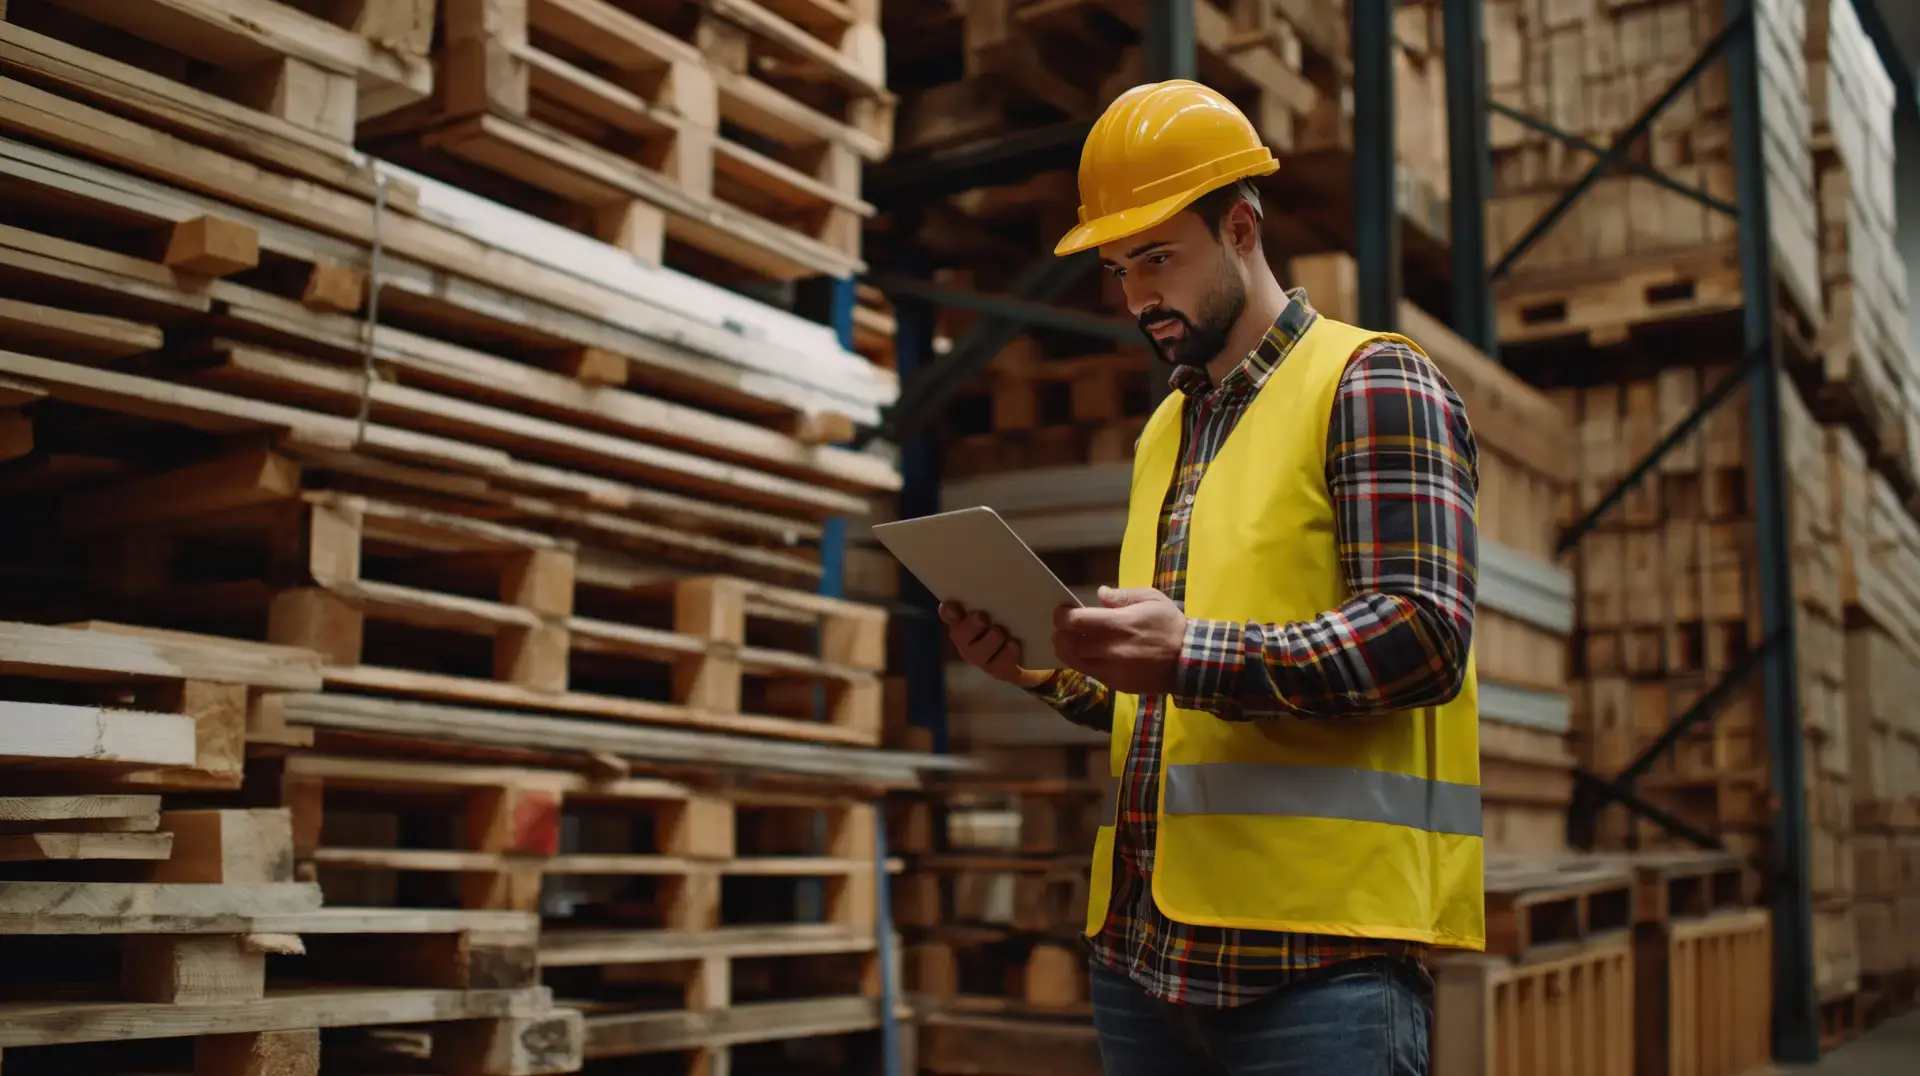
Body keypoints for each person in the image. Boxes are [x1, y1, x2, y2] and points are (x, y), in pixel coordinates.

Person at [937, 80, 1486, 1076]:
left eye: (1158, 258)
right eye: (1118, 268)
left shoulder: (1373, 382)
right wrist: (1047, 665)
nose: (1138, 294)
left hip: (1320, 966)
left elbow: (1425, 632)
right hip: (1144, 958)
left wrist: (1189, 647)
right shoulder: (1167, 431)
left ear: (1240, 229)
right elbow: (1170, 700)